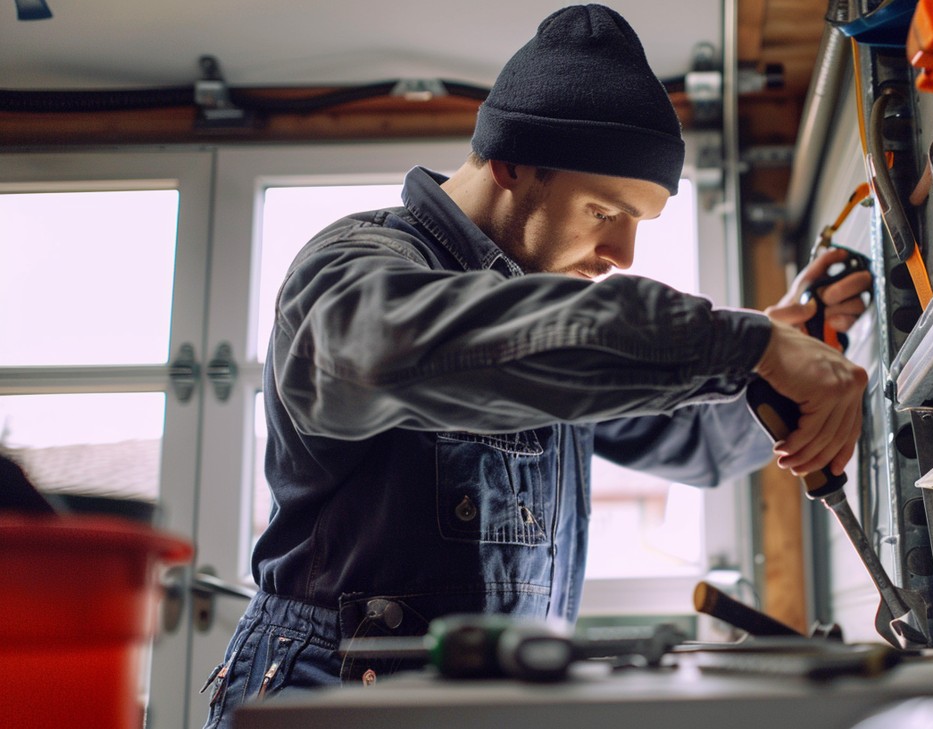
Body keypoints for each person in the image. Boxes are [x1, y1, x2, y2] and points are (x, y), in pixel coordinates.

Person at [201, 5, 870, 727]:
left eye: (638, 224)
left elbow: (700, 441)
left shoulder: (552, 339)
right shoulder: (353, 268)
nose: (622, 257)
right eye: (604, 211)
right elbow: (389, 354)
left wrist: (796, 349)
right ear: (513, 162)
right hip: (325, 697)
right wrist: (744, 345)